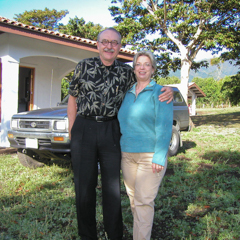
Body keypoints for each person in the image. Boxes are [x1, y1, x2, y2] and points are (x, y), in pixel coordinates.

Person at [67, 28, 173, 240]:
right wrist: (73, 133)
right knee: (84, 188)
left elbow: (145, 86)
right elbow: (72, 99)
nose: (109, 46)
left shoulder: (126, 73)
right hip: (84, 129)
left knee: (112, 188)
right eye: (105, 42)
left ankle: (114, 235)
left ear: (119, 47)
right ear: (98, 45)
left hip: (111, 131)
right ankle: (88, 236)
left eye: (114, 43)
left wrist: (172, 89)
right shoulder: (83, 66)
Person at [118, 50, 173, 240]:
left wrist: (160, 155)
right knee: (134, 200)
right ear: (134, 69)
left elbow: (165, 126)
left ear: (153, 69)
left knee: (143, 202)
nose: (142, 67)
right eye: (138, 64)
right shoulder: (127, 92)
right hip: (127, 155)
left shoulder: (161, 92)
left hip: (150, 157)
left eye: (146, 64)